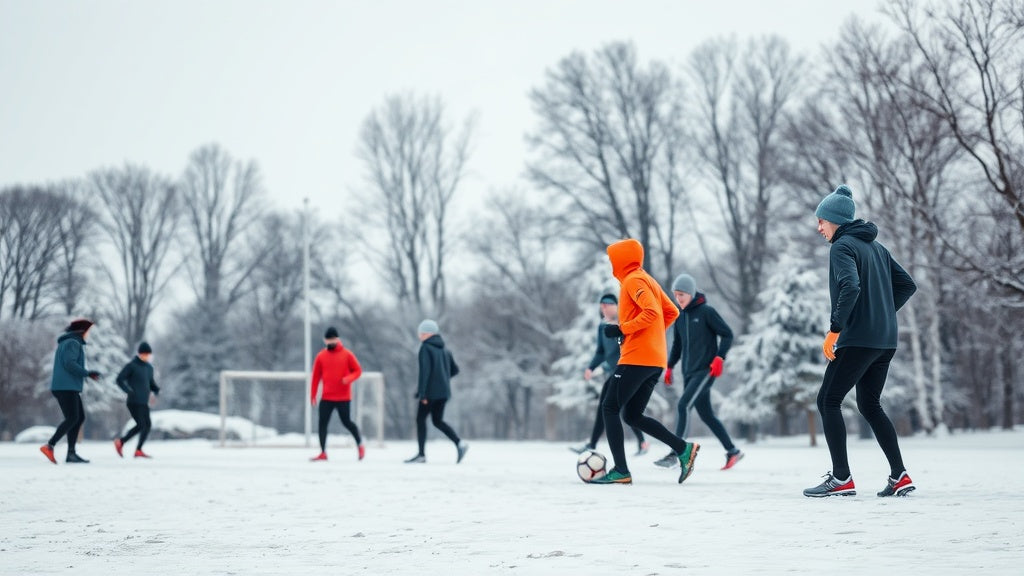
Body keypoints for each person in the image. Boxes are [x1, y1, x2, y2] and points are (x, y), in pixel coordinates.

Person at [804, 185, 917, 498]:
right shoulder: (877, 249)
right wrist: (881, 315)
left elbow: (850, 287)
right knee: (869, 404)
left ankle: (841, 478)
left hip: (858, 339)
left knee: (828, 400)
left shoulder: (842, 247)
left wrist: (835, 329)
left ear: (835, 220)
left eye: (821, 221)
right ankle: (900, 475)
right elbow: (907, 285)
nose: (819, 228)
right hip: (885, 341)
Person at [592, 239, 699, 485]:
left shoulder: (633, 280)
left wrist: (623, 329)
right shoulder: (646, 278)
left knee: (609, 407)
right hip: (654, 360)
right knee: (632, 415)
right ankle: (683, 449)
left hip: (637, 357)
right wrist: (650, 338)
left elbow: (651, 312)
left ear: (622, 260)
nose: (611, 264)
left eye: (612, 260)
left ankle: (621, 470)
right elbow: (671, 311)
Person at [655, 274, 743, 470]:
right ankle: (732, 451)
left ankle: (676, 453)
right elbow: (677, 345)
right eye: (676, 295)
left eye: (681, 295)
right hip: (688, 373)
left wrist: (720, 357)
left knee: (683, 405)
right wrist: (670, 366)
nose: (678, 299)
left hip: (705, 370)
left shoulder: (706, 312)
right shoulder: (680, 317)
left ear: (691, 293)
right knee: (706, 415)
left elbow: (727, 334)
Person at [570, 293, 649, 456]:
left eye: (607, 305)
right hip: (614, 373)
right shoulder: (602, 327)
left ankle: (595, 444)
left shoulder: (624, 324)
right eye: (602, 306)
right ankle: (641, 442)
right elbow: (601, 351)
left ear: (616, 306)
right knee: (615, 408)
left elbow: (625, 349)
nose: (604, 309)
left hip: (626, 371)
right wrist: (591, 367)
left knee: (617, 408)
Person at [405, 319, 469, 464]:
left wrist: (422, 393)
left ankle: (421, 455)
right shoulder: (445, 350)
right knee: (437, 421)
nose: (420, 335)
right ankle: (460, 443)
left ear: (429, 333)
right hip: (444, 393)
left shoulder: (425, 348)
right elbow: (455, 370)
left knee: (420, 420)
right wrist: (442, 380)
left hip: (430, 394)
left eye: (422, 332)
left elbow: (425, 373)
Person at [40, 318, 101, 464]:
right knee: (73, 417)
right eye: (87, 331)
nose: (88, 334)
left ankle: (71, 454)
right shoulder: (73, 343)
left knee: (78, 417)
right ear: (81, 331)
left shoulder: (67, 342)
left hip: (67, 386)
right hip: (66, 387)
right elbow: (69, 363)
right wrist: (87, 373)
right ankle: (50, 445)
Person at [309, 327, 364, 462]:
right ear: (325, 341)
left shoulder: (347, 354)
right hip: (327, 397)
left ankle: (360, 445)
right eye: (328, 340)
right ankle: (323, 452)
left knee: (347, 422)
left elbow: (358, 371)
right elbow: (315, 377)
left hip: (343, 397)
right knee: (322, 423)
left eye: (333, 339)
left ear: (338, 339)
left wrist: (348, 379)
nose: (331, 342)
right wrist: (313, 395)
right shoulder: (321, 356)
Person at [114, 341, 161, 459]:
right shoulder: (131, 365)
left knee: (147, 425)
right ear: (139, 353)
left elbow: (150, 383)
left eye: (147, 354)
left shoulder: (149, 368)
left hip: (144, 402)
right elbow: (119, 379)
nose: (146, 356)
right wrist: (128, 390)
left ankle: (138, 450)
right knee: (141, 425)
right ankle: (121, 442)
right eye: (143, 354)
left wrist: (156, 389)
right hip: (133, 401)